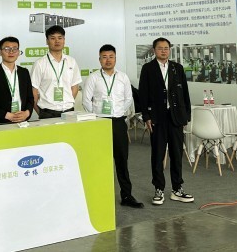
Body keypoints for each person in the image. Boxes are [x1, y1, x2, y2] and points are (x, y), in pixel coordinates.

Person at [83, 44, 144, 209]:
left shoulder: (123, 77)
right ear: (99, 59)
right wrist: (96, 117)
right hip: (100, 123)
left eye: (111, 57)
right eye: (104, 57)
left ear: (115, 58)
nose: (108, 60)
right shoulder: (93, 78)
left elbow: (128, 99)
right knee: (100, 160)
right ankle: (99, 195)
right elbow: (86, 100)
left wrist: (119, 112)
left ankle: (127, 195)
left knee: (122, 160)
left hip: (118, 122)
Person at [139, 37, 193, 206]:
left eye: (166, 48)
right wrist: (146, 117)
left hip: (176, 117)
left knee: (177, 154)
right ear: (154, 50)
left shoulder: (177, 68)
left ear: (169, 50)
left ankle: (177, 189)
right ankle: (159, 189)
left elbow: (185, 93)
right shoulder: (148, 68)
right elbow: (143, 94)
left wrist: (186, 116)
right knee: (158, 154)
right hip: (157, 118)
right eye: (160, 48)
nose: (163, 51)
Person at [32, 25, 81, 119]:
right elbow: (34, 91)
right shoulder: (40, 63)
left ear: (64, 40)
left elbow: (75, 86)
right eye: (53, 38)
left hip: (69, 111)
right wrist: (40, 112)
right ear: (47, 41)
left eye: (60, 38)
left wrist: (67, 102)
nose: (57, 41)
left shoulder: (71, 62)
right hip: (47, 112)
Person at [0, 36, 34, 123]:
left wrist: (27, 113)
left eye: (14, 49)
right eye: (7, 49)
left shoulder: (24, 72)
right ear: (0, 52)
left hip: (22, 121)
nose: (11, 52)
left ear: (18, 52)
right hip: (2, 122)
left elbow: (30, 98)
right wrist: (6, 115)